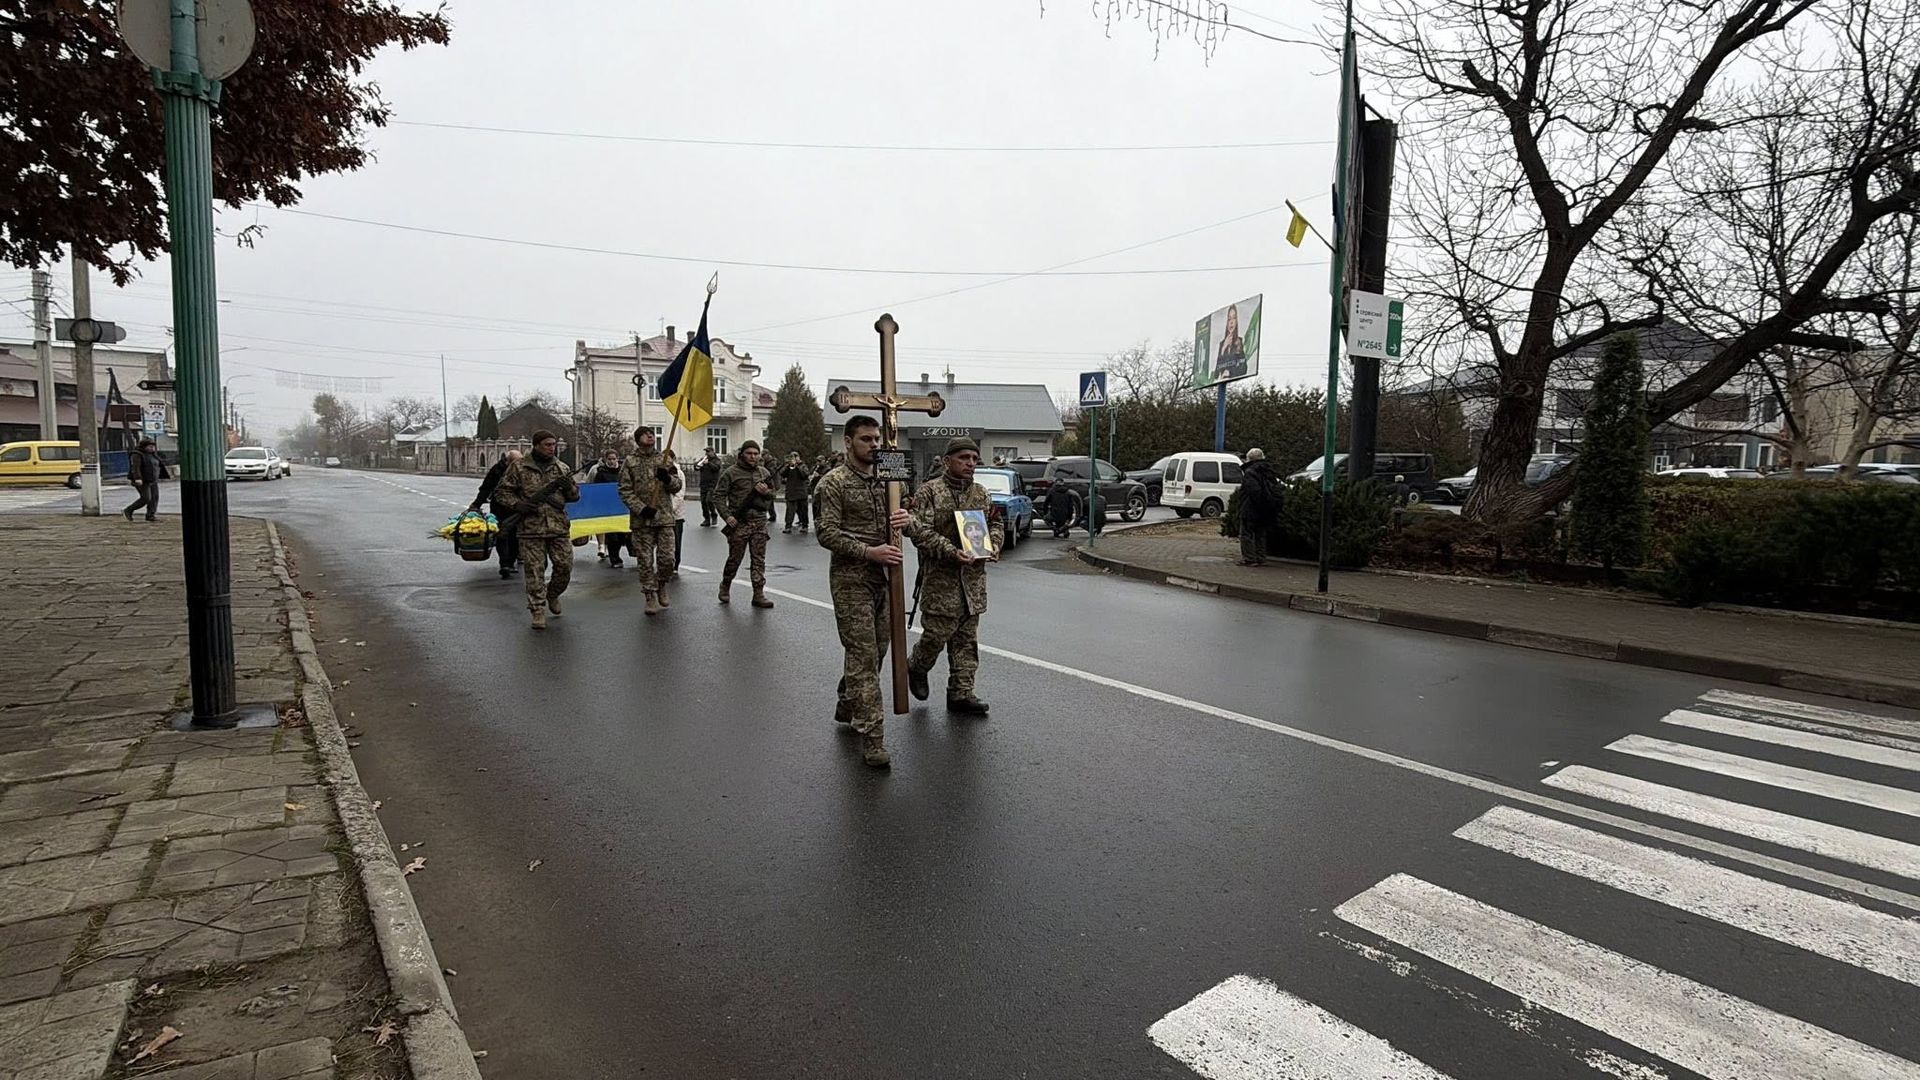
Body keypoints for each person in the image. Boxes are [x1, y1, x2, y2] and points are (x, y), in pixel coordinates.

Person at [816, 415, 942, 767]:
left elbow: (908, 517)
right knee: (862, 654)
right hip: (851, 579)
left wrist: (905, 519)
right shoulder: (833, 483)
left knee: (879, 650)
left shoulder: (890, 479)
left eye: (876, 439)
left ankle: (848, 700)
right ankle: (872, 737)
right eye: (866, 439)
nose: (873, 445)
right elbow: (826, 533)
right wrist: (868, 551)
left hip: (887, 579)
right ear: (848, 442)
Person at [906, 438, 988, 715]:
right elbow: (918, 530)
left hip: (972, 582)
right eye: (964, 457)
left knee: (966, 640)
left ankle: (961, 693)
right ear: (947, 460)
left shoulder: (980, 493)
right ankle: (917, 666)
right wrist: (950, 551)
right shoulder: (930, 491)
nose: (970, 463)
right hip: (941, 581)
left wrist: (994, 544)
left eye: (975, 459)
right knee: (936, 636)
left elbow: (995, 523)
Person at [491, 432, 578, 629]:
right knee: (534, 571)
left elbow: (574, 497)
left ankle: (553, 594)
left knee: (565, 566)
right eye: (548, 444)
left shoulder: (561, 467)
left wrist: (568, 489)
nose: (552, 448)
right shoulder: (519, 467)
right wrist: (518, 505)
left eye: (554, 444)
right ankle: (537, 610)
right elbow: (501, 492)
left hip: (558, 527)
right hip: (531, 528)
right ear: (536, 445)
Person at [619, 427, 683, 615]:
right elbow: (624, 490)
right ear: (638, 439)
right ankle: (649, 595)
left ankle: (661, 584)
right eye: (646, 434)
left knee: (668, 559)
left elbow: (677, 485)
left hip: (664, 518)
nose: (650, 436)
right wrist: (641, 509)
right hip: (642, 521)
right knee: (645, 561)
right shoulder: (630, 462)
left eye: (652, 434)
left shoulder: (664, 460)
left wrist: (667, 479)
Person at [714, 441, 777, 608]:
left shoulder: (764, 472)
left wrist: (767, 493)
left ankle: (758, 593)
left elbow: (774, 494)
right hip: (739, 522)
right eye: (749, 453)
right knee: (735, 559)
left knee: (758, 559)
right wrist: (727, 517)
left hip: (759, 521)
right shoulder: (731, 473)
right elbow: (718, 496)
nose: (753, 457)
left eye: (756, 454)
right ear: (742, 454)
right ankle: (725, 585)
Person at [470, 449, 524, 578]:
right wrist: (476, 504)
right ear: (508, 460)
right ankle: (505, 564)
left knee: (515, 536)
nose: (517, 464)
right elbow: (486, 487)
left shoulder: (523, 470)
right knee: (502, 535)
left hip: (517, 508)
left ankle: (511, 562)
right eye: (514, 462)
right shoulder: (497, 470)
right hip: (499, 507)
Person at [1237, 448, 1281, 567]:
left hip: (1250, 508)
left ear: (1249, 459)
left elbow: (1253, 491)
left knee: (1246, 533)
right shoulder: (1269, 470)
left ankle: (1249, 558)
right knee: (1260, 533)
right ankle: (1261, 557)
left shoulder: (1250, 472)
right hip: (1266, 508)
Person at [588, 449, 628, 570]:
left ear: (617, 459)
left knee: (622, 536)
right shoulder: (601, 473)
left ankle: (616, 553)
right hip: (608, 510)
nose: (611, 461)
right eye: (609, 459)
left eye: (613, 459)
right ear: (605, 460)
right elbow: (596, 490)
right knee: (612, 536)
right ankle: (615, 558)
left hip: (621, 509)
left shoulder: (622, 472)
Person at [123, 438, 166, 521]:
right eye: (150, 447)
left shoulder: (152, 454)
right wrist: (138, 478)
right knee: (146, 498)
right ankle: (129, 510)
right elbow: (135, 468)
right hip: (143, 480)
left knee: (154, 497)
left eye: (153, 447)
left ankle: (150, 515)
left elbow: (157, 465)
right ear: (144, 446)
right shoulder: (137, 454)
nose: (152, 448)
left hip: (152, 479)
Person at [780, 452, 813, 534]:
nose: (794, 458)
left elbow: (804, 475)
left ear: (799, 457)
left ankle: (805, 526)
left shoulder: (803, 466)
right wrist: (788, 466)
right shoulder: (788, 466)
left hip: (801, 491)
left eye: (795, 456)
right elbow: (782, 474)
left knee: (803, 510)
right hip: (791, 491)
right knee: (790, 511)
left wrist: (797, 466)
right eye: (792, 457)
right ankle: (788, 526)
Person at [1216, 302, 1248, 381]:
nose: (1231, 322)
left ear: (1237, 321)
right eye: (1229, 319)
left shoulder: (1239, 341)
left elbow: (1243, 369)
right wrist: (1223, 349)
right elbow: (1216, 374)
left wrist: (1230, 372)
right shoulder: (1222, 344)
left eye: (1234, 318)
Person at [696, 447, 724, 527]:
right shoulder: (703, 459)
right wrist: (699, 464)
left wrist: (708, 463)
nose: (707, 454)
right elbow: (696, 467)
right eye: (706, 452)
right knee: (703, 502)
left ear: (713, 452)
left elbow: (716, 468)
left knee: (709, 500)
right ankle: (706, 519)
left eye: (708, 452)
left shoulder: (717, 460)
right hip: (703, 484)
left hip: (712, 485)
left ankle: (714, 515)